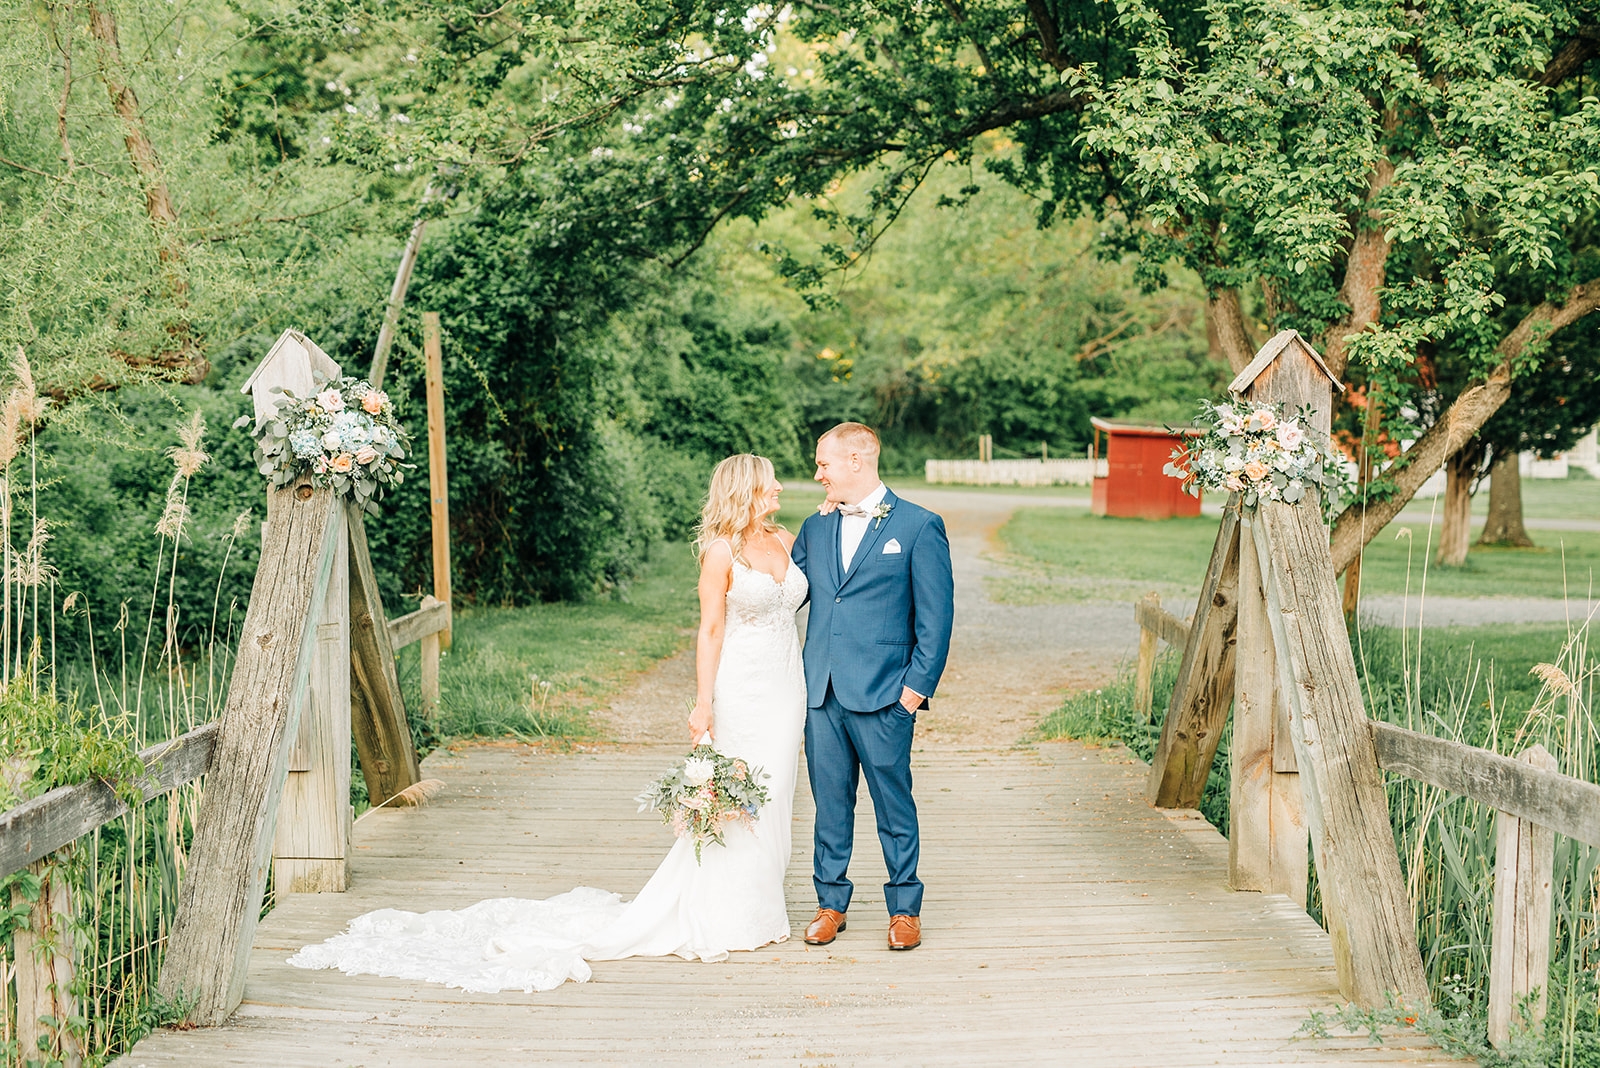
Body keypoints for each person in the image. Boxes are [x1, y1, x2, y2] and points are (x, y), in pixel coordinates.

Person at [286, 454, 808, 992]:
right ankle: (729, 912)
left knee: (778, 794)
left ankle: (762, 904)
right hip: (740, 689)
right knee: (739, 799)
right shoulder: (721, 552)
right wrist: (703, 702)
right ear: (746, 488)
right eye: (770, 482)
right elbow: (710, 632)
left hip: (786, 690)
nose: (779, 488)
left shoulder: (787, 538)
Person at [789, 422, 954, 952]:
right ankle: (830, 903)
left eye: (824, 464)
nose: (818, 474)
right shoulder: (815, 529)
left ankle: (904, 908)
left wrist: (913, 692)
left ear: (856, 460)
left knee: (893, 804)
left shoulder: (919, 526)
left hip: (886, 696)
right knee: (828, 805)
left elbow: (936, 620)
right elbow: (785, 592)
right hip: (824, 695)